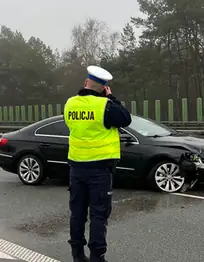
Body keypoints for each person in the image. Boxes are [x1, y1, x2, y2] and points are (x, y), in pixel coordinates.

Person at [64, 65, 132, 262]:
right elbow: (125, 119)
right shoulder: (105, 106)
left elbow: (72, 125)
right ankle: (96, 257)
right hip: (100, 170)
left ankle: (77, 255)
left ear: (85, 83)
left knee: (77, 213)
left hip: (76, 168)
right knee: (98, 215)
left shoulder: (70, 103)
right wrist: (111, 98)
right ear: (104, 88)